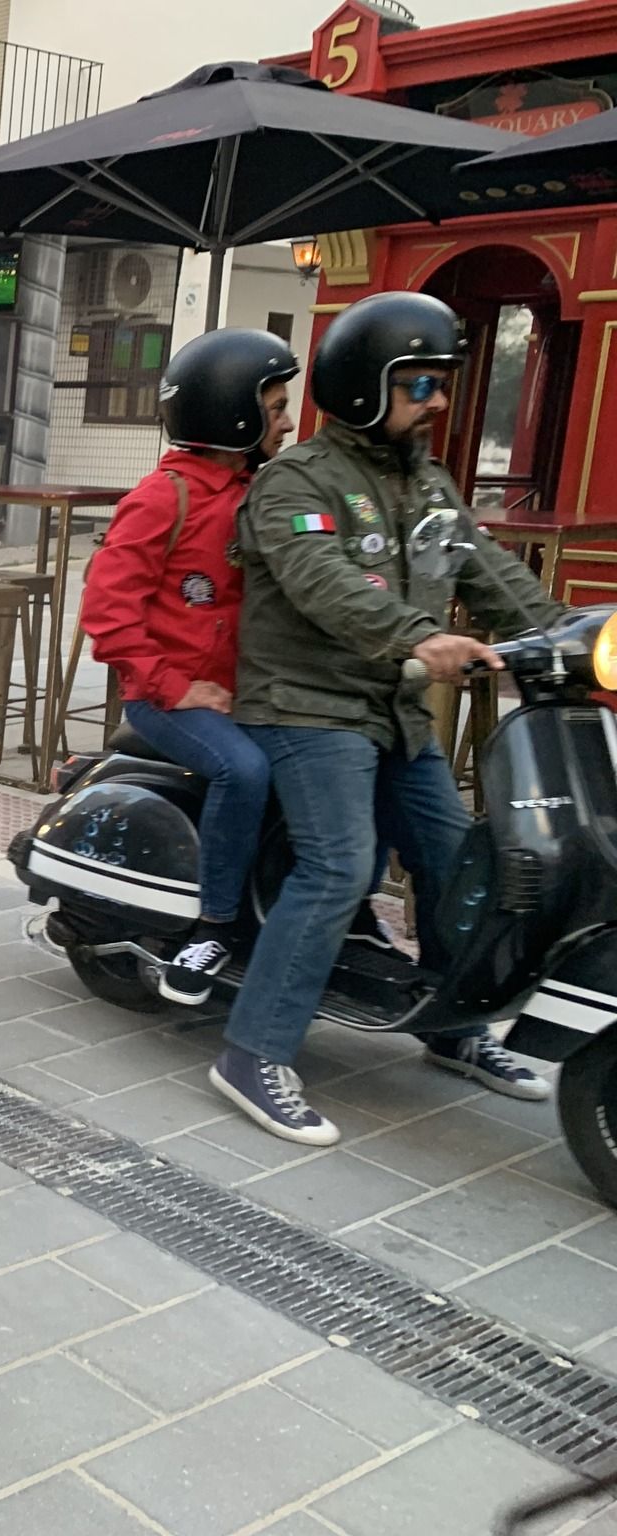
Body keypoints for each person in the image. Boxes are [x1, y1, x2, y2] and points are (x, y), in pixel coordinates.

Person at [213, 290, 563, 1147]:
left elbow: (485, 569)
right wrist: (416, 636)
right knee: (342, 865)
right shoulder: (296, 481)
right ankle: (253, 1053)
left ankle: (450, 1026)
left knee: (460, 857)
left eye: (442, 384)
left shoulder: (428, 482)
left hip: (394, 714)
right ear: (368, 385)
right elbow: (324, 582)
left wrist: (570, 631)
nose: (439, 402)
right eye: (422, 383)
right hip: (307, 705)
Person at [80, 329, 297, 1005]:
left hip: (234, 694)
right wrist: (177, 685)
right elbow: (107, 609)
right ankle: (216, 925)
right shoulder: (163, 498)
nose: (288, 421)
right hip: (163, 698)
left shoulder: (256, 491)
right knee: (244, 769)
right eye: (277, 406)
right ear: (235, 411)